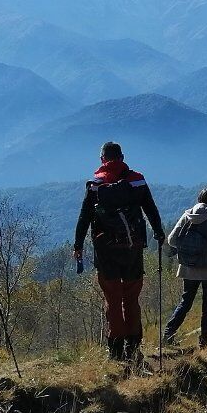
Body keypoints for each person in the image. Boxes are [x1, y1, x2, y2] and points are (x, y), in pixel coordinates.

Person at [74, 142, 165, 363]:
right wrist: (159, 233)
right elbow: (150, 208)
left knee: (113, 299)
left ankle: (115, 349)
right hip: (133, 247)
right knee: (131, 298)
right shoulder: (137, 180)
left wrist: (78, 245)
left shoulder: (95, 185)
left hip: (106, 251)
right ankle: (133, 346)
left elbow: (84, 217)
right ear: (122, 157)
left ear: (102, 159)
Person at [163, 188, 207, 348]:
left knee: (186, 301)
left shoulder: (187, 216)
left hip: (188, 268)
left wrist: (188, 249)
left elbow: (171, 240)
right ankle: (204, 341)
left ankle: (168, 333)